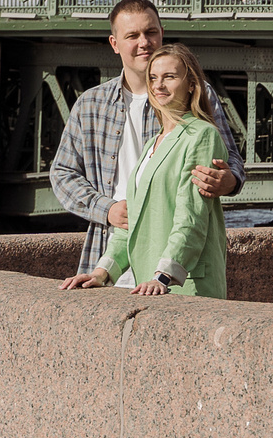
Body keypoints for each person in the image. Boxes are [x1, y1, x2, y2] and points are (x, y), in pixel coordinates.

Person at [46, 0, 243, 280]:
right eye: (132, 35)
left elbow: (231, 160)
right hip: (109, 253)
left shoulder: (196, 95)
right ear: (115, 44)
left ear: (162, 33)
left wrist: (230, 180)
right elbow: (62, 173)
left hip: (173, 261)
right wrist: (107, 209)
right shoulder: (90, 104)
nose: (144, 42)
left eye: (151, 32)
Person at [60, 43, 229, 298]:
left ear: (192, 84)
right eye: (153, 78)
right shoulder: (154, 142)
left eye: (169, 77)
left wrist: (163, 275)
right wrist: (100, 273)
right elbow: (132, 220)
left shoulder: (202, 135)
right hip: (151, 285)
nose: (158, 85)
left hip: (186, 284)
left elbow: (192, 218)